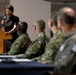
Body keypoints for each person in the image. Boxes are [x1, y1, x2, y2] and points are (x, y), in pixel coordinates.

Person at [54, 7, 76, 74]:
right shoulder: (68, 38)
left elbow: (64, 66)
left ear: (60, 22)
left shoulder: (73, 40)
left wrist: (51, 66)